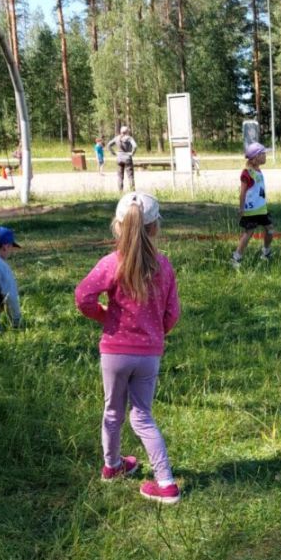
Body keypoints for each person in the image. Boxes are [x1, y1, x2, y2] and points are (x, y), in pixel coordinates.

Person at [74, 191, 182, 504]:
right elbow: (172, 313)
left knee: (112, 412)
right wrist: (156, 333)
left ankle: (112, 466)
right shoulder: (164, 266)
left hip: (114, 352)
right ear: (155, 228)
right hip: (149, 354)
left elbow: (83, 297)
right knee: (142, 416)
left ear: (119, 226)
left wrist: (105, 317)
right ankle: (165, 482)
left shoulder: (110, 263)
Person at [232, 142, 273, 267]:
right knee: (248, 233)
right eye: (263, 154)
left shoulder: (258, 170)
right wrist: (241, 208)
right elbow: (243, 192)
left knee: (270, 230)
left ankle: (266, 253)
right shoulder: (247, 173)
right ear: (255, 158)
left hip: (261, 210)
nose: (265, 156)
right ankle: (236, 257)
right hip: (251, 211)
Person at [108, 126, 137, 192]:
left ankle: (120, 192)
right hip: (127, 158)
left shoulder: (117, 138)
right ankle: (132, 191)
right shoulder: (129, 138)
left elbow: (109, 145)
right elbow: (135, 146)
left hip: (119, 158)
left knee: (120, 177)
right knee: (130, 176)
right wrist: (132, 153)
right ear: (127, 131)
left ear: (121, 131)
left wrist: (113, 153)